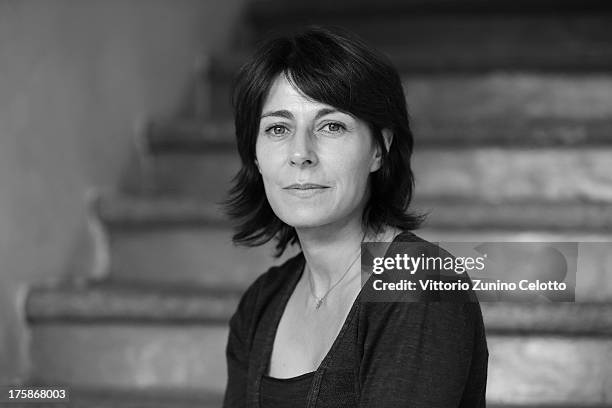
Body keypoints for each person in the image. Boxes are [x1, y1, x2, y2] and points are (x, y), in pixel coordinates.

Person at [221, 26, 488, 407]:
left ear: (379, 149)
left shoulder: (421, 282)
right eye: (278, 128)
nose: (301, 154)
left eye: (332, 126)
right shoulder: (261, 302)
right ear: (256, 156)